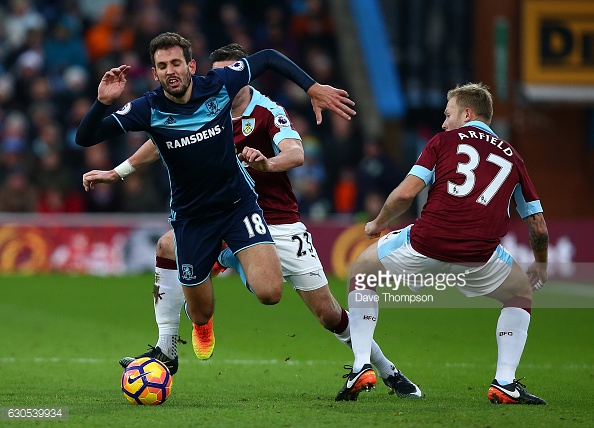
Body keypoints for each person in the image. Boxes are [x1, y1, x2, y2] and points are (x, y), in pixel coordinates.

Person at [82, 44, 422, 401]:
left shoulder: (266, 111)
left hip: (277, 222)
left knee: (326, 313)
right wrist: (117, 172)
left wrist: (266, 164)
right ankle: (168, 348)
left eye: (236, 72)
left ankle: (388, 371)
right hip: (225, 216)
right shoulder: (199, 103)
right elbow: (159, 140)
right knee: (167, 246)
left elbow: (296, 152)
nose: (230, 79)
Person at [75, 33, 356, 365]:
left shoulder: (219, 85)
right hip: (193, 218)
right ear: (154, 73)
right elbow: (86, 137)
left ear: (190, 66)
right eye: (162, 66)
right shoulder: (148, 108)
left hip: (238, 206)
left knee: (270, 292)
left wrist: (313, 88)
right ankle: (193, 326)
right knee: (200, 311)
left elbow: (267, 55)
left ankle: (230, 257)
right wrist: (103, 102)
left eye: (176, 63)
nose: (170, 71)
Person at [338, 82, 549, 404]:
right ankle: (504, 382)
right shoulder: (513, 157)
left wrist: (379, 223)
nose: (443, 122)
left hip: (428, 242)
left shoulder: (442, 142)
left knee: (364, 270)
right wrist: (541, 263)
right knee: (521, 293)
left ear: (467, 113)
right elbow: (538, 227)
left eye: (448, 114)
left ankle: (360, 365)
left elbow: (406, 193)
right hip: (479, 253)